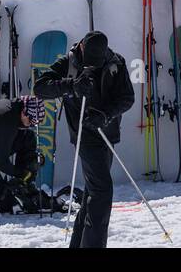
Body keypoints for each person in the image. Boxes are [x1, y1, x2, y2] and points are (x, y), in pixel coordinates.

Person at [34, 30, 136, 248]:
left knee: (93, 192)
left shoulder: (116, 62)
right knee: (102, 192)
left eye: (97, 63)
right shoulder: (67, 63)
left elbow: (127, 98)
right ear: (81, 47)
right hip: (84, 135)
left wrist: (105, 114)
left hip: (107, 134)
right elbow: (40, 88)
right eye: (90, 62)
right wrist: (71, 86)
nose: (93, 66)